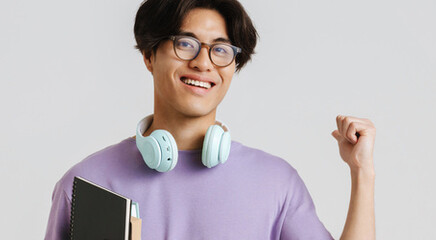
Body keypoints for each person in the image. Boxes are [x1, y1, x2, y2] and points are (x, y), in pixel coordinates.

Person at [44, 0, 376, 239]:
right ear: (148, 54)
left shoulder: (276, 184)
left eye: (221, 50)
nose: (204, 63)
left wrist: (362, 173)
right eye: (186, 44)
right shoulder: (87, 184)